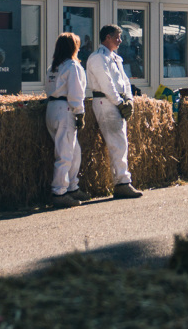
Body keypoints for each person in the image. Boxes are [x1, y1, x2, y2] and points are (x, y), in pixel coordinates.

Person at [85, 24, 143, 199]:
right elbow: (106, 83)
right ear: (107, 38)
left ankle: (122, 181)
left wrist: (129, 101)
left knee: (121, 142)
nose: (120, 41)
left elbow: (124, 81)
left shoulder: (116, 58)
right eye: (117, 37)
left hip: (115, 102)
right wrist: (119, 103)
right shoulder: (97, 58)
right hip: (105, 102)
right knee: (117, 143)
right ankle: (122, 182)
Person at [44, 33, 92, 208]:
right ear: (73, 47)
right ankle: (59, 192)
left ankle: (72, 186)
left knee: (74, 150)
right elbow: (76, 92)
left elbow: (48, 88)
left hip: (52, 108)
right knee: (64, 153)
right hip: (66, 109)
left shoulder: (53, 67)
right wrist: (80, 112)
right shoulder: (73, 66)